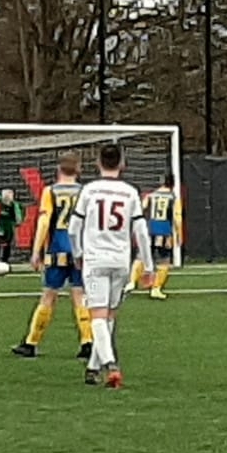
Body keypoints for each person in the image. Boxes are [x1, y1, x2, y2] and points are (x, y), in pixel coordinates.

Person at [69, 143, 154, 388]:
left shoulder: (89, 190)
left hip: (95, 258)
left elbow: (73, 228)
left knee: (97, 314)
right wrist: (148, 266)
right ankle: (93, 367)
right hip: (120, 260)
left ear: (98, 163)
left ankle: (110, 364)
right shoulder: (130, 192)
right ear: (122, 164)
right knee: (109, 315)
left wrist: (78, 253)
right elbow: (141, 232)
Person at [12, 152, 93, 360]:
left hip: (57, 250)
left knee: (48, 295)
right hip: (79, 251)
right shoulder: (85, 192)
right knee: (80, 296)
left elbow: (44, 221)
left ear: (58, 168)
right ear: (79, 169)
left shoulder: (51, 191)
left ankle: (31, 343)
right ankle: (87, 342)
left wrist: (36, 250)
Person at [127, 174, 181, 300]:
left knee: (141, 257)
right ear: (173, 184)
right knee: (164, 261)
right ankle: (156, 289)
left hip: (149, 231)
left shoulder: (151, 196)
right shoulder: (173, 198)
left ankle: (131, 282)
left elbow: (140, 209)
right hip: (164, 232)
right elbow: (177, 217)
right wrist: (178, 234)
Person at [0, 187, 26, 267]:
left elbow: (19, 214)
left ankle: (4, 259)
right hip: (1, 224)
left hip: (9, 225)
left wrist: (18, 221)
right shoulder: (1, 201)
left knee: (7, 243)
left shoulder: (14, 204)